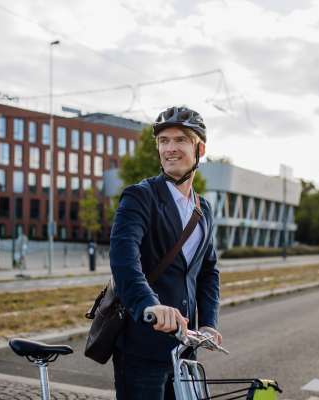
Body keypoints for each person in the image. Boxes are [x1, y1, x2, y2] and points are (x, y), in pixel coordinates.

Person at [109, 106, 221, 400]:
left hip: (186, 347)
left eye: (181, 140)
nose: (170, 148)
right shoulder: (140, 196)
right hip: (142, 344)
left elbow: (208, 272)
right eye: (163, 140)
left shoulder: (203, 208)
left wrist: (209, 322)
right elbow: (124, 259)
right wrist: (149, 305)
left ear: (200, 149)